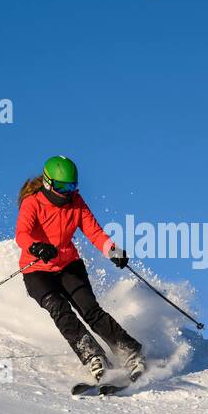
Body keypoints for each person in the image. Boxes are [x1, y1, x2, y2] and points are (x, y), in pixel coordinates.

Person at [16, 155, 145, 384]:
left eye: (73, 186)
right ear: (48, 183)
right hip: (37, 270)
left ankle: (130, 352)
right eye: (63, 186)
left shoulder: (76, 201)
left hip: (68, 264)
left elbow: (94, 232)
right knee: (59, 310)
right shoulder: (32, 203)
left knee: (90, 310)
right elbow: (22, 234)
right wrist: (37, 247)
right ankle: (93, 357)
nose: (68, 192)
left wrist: (112, 250)